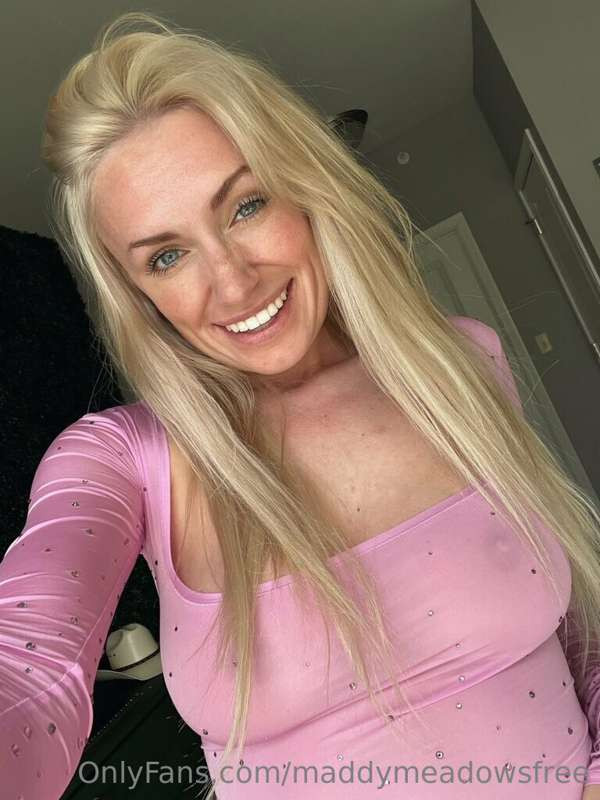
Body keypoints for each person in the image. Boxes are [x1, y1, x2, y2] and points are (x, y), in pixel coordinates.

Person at [2, 11, 600, 800]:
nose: (232, 282)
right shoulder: (124, 461)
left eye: (246, 206)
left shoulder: (460, 364)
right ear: (140, 296)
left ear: (306, 189)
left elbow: (574, 630)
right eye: (168, 255)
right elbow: (30, 671)